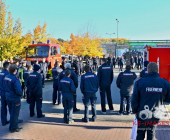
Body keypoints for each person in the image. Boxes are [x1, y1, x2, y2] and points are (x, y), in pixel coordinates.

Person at [131, 62, 170, 140]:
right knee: (151, 134)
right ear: (157, 71)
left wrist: (135, 110)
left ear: (147, 71)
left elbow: (134, 98)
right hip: (155, 114)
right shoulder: (165, 83)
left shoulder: (139, 82)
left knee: (140, 134)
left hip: (141, 113)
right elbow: (168, 99)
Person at [4, 64, 23, 133]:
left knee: (11, 112)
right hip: (15, 98)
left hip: (8, 97)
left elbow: (4, 86)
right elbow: (18, 90)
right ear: (15, 70)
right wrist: (21, 94)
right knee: (15, 113)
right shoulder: (15, 78)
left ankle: (11, 126)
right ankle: (14, 128)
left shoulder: (6, 77)